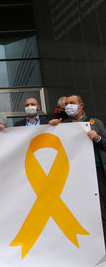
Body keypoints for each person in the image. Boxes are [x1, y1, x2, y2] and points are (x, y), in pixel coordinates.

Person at [50, 94, 106, 245]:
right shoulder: (63, 125)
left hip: (97, 171)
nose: (69, 106)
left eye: (72, 103)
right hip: (74, 174)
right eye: (66, 104)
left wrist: (98, 139)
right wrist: (52, 128)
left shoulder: (96, 123)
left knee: (102, 209)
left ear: (81, 106)